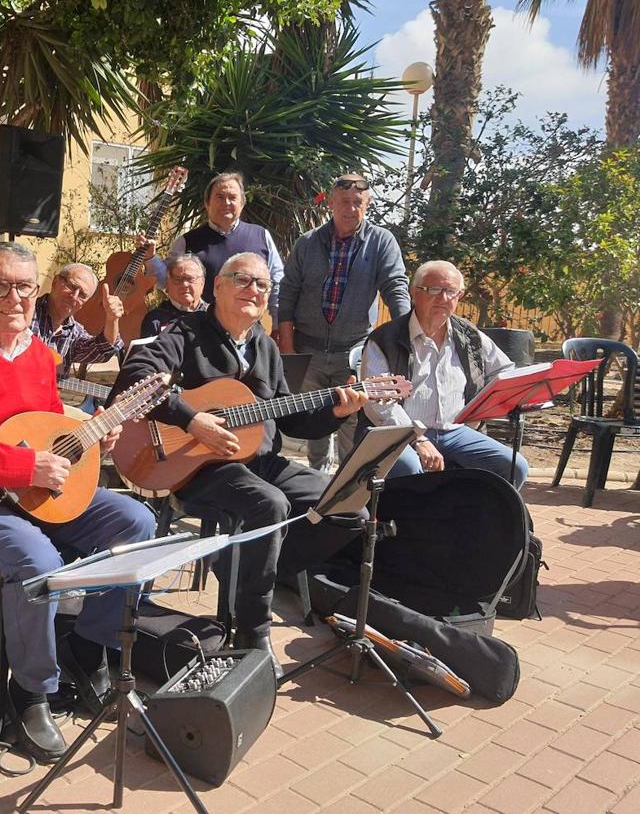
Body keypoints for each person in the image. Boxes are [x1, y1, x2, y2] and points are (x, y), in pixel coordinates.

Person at [0, 241, 152, 762]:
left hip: (36, 493)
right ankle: (31, 693)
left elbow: (48, 433)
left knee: (136, 522)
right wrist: (21, 467)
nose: (13, 297)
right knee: (37, 561)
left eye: (23, 286)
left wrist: (91, 440)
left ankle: (89, 650)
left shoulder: (42, 355)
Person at [111, 253, 367, 677]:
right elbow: (135, 375)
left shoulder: (265, 346)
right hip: (199, 466)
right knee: (270, 506)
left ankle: (242, 567)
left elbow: (291, 415)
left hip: (261, 460)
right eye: (242, 280)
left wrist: (337, 411)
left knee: (349, 506)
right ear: (218, 287)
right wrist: (192, 420)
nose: (253, 290)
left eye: (262, 285)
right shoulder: (187, 333)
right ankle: (253, 630)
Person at [277, 173, 411, 471]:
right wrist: (288, 348)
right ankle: (315, 482)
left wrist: (407, 333)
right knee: (314, 419)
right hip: (307, 350)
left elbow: (395, 286)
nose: (350, 209)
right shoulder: (308, 242)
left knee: (352, 420)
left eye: (357, 203)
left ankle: (345, 489)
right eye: (344, 202)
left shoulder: (381, 242)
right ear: (331, 203)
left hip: (353, 352)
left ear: (368, 203)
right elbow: (287, 294)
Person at [360, 260, 529, 490]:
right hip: (398, 433)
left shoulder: (469, 335)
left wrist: (481, 408)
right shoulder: (385, 339)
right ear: (414, 293)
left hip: (456, 431)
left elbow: (505, 372)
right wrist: (417, 438)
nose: (443, 298)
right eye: (434, 290)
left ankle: (482, 522)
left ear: (459, 296)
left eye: (451, 291)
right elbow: (379, 403)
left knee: (515, 466)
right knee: (409, 467)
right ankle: (409, 524)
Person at [166, 172, 285, 318]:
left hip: (250, 330)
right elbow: (166, 280)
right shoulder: (187, 242)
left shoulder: (261, 236)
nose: (226, 203)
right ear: (206, 203)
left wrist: (277, 323)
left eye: (233, 198)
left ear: (242, 203)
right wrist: (150, 258)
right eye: (220, 197)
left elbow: (277, 282)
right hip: (201, 329)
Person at [31, 262, 123, 372]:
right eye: (72, 286)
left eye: (82, 295)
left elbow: (102, 350)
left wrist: (112, 319)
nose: (74, 297)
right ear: (55, 282)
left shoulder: (74, 333)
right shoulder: (24, 313)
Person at [140, 253, 209, 338]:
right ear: (168, 283)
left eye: (190, 279)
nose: (184, 284)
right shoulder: (155, 320)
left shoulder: (215, 315)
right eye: (178, 280)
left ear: (202, 283)